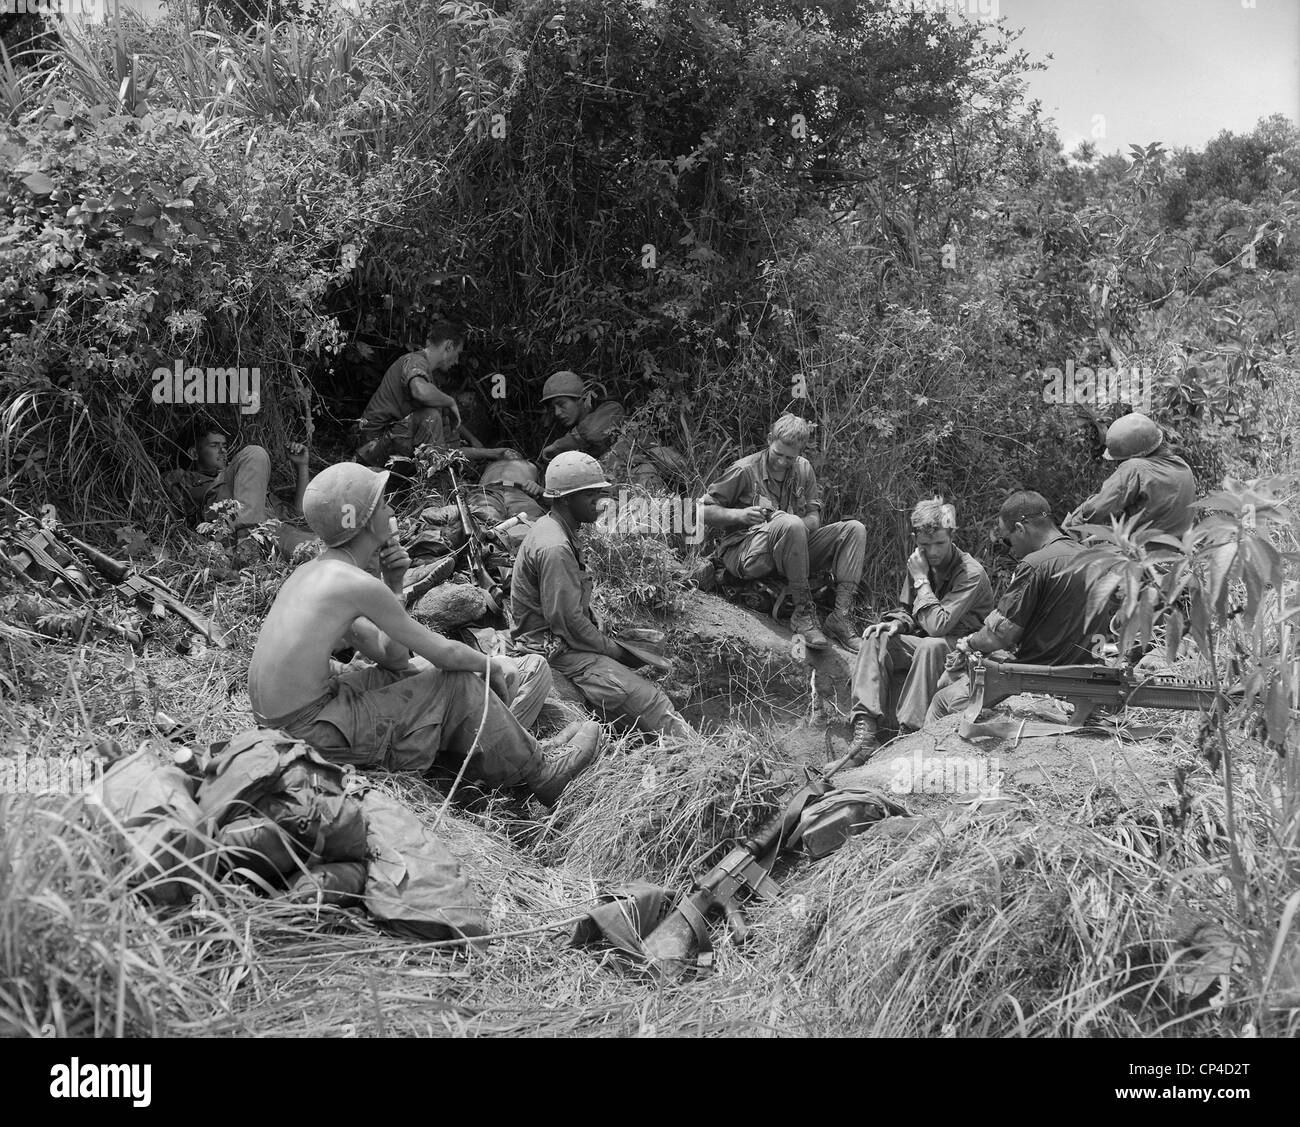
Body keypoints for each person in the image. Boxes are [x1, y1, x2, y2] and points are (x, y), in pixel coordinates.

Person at [247, 462, 603, 807]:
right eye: (383, 504)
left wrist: (397, 584)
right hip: (310, 729)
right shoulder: (351, 582)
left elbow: (393, 657)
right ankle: (541, 773)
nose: (391, 511)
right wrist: (494, 665)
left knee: (410, 672)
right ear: (360, 521)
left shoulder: (318, 572)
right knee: (456, 682)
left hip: (290, 723)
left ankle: (511, 752)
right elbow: (444, 654)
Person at [511, 451, 697, 740]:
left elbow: (571, 605)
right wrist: (613, 651)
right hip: (555, 651)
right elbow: (568, 623)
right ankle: (700, 755)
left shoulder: (560, 528)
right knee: (652, 701)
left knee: (653, 644)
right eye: (590, 495)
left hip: (563, 639)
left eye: (600, 492)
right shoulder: (555, 546)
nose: (600, 501)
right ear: (564, 500)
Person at [925, 491, 1110, 723]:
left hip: (1043, 680)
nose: (1010, 549)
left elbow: (998, 636)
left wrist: (969, 643)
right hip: (1089, 678)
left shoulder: (1035, 564)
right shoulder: (1094, 558)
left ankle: (930, 757)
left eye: (1007, 539)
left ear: (1021, 529)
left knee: (942, 701)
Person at [698, 413, 865, 651]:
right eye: (778, 455)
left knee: (854, 530)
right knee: (790, 524)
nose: (782, 462)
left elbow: (813, 519)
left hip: (792, 551)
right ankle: (803, 614)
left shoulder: (804, 470)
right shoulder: (744, 470)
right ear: (769, 439)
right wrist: (739, 515)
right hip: (747, 553)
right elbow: (702, 510)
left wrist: (789, 526)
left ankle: (840, 616)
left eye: (790, 458)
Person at [845, 497, 994, 763]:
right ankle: (865, 734)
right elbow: (908, 609)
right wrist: (897, 623)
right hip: (932, 644)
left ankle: (908, 733)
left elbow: (938, 626)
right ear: (916, 539)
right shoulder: (919, 562)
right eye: (925, 545)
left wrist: (922, 579)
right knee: (875, 637)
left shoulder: (971, 572)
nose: (933, 551)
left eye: (940, 543)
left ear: (952, 535)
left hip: (965, 651)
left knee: (930, 645)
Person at [163, 419, 317, 558]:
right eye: (214, 445)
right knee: (255, 453)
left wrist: (302, 465)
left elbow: (298, 516)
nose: (223, 451)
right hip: (231, 534)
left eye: (224, 446)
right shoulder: (186, 478)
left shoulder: (249, 485)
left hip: (271, 534)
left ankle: (251, 542)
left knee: (322, 550)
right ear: (194, 453)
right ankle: (246, 541)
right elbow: (165, 488)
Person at [1063, 413, 1196, 537]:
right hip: (1181, 552)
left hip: (1143, 554)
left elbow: (1097, 509)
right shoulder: (1181, 465)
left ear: (1131, 456)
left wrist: (1072, 523)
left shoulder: (1134, 468)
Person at [356, 322, 468, 467]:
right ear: (449, 346)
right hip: (372, 448)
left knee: (436, 422)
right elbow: (420, 392)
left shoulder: (428, 378)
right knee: (430, 417)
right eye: (458, 353)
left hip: (388, 445)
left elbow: (446, 446)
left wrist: (492, 453)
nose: (457, 360)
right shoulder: (415, 361)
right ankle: (434, 483)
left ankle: (432, 477)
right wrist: (450, 401)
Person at [538, 370, 625, 463]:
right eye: (553, 408)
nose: (557, 413)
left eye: (561, 404)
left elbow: (592, 433)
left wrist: (558, 446)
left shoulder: (612, 409)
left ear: (580, 399)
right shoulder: (570, 435)